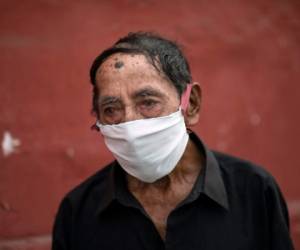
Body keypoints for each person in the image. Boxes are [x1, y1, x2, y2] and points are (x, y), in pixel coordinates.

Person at [52, 32, 294, 250]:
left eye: (147, 102)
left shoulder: (254, 191)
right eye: (111, 109)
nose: (129, 124)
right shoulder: (77, 212)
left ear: (192, 104)